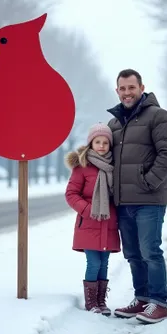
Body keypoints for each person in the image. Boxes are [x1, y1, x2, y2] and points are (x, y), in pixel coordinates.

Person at [107, 69, 167, 324]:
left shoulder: (158, 116)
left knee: (150, 250)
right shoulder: (114, 123)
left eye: (131, 88)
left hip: (149, 200)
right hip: (123, 201)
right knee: (133, 254)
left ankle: (158, 302)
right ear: (117, 91)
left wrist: (148, 182)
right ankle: (142, 298)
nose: (127, 93)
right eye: (122, 89)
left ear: (141, 88)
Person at [65, 123, 121, 315]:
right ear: (91, 144)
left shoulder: (114, 167)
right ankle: (91, 303)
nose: (102, 146)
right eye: (98, 142)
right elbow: (71, 194)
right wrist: (88, 210)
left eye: (105, 142)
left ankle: (100, 302)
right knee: (94, 262)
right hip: (89, 223)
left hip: (109, 223)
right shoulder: (82, 167)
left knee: (104, 263)